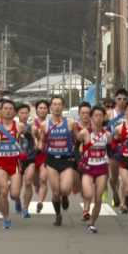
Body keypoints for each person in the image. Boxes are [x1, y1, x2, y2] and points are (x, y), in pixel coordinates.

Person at [38, 95, 77, 227]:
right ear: (50, 107)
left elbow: (76, 139)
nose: (57, 107)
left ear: (63, 107)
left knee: (65, 189)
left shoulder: (71, 123)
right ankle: (58, 215)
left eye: (59, 104)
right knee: (55, 192)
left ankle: (65, 196)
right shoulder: (44, 125)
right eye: (54, 104)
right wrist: (39, 144)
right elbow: (42, 142)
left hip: (66, 160)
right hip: (52, 160)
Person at [0, 99, 26, 229]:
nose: (8, 111)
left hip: (15, 163)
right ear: (1, 111)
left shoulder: (19, 126)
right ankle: (6, 217)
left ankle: (17, 200)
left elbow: (28, 140)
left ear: (14, 112)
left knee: (14, 194)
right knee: (3, 192)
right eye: (5, 108)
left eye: (11, 109)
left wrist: (25, 151)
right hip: (1, 163)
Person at [76, 106, 112, 233]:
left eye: (100, 116)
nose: (98, 118)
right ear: (91, 117)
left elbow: (111, 150)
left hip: (101, 168)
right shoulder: (85, 133)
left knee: (98, 198)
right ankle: (86, 209)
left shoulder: (107, 135)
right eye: (95, 115)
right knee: (88, 193)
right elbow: (76, 145)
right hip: (88, 167)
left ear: (104, 118)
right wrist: (79, 155)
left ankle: (92, 223)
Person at [106, 89, 128, 211]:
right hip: (113, 148)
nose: (122, 101)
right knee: (114, 177)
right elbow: (103, 128)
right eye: (119, 99)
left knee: (125, 177)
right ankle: (114, 191)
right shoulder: (109, 114)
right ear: (115, 100)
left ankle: (123, 203)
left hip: (127, 148)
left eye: (124, 99)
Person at [74, 101, 92, 221]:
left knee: (88, 185)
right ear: (79, 114)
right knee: (79, 186)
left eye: (87, 113)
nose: (85, 115)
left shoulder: (95, 126)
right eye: (83, 113)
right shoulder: (74, 126)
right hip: (77, 158)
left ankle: (86, 209)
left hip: (92, 159)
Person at [17, 103, 36, 219]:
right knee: (16, 188)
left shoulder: (31, 127)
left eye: (26, 113)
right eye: (21, 113)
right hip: (16, 160)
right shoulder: (12, 126)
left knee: (28, 182)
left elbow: (36, 141)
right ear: (17, 114)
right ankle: (17, 200)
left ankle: (25, 208)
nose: (24, 115)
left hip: (30, 158)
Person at [33, 100, 49, 213]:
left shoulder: (51, 122)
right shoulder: (31, 123)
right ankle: (37, 188)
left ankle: (40, 202)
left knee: (43, 179)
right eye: (40, 108)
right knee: (35, 180)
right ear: (36, 109)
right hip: (33, 154)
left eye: (44, 108)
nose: (42, 110)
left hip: (46, 154)